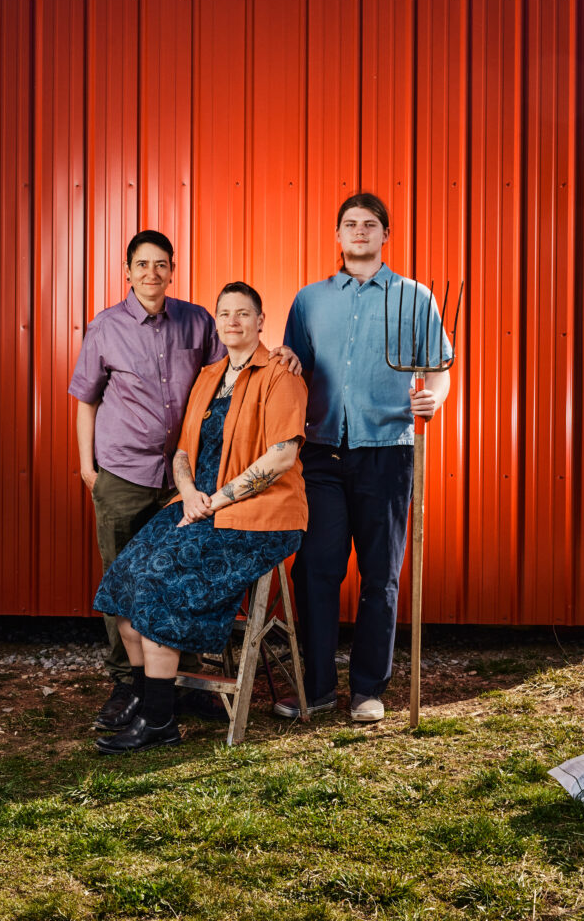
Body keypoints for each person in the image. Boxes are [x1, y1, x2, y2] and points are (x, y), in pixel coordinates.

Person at [93, 282, 307, 753]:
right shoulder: (209, 376)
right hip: (198, 505)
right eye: (225, 313)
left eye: (243, 313)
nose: (233, 321)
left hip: (256, 514)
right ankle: (157, 698)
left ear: (260, 321)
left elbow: (281, 457)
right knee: (124, 583)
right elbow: (184, 451)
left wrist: (218, 500)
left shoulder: (280, 374)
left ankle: (159, 721)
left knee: (159, 585)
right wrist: (189, 493)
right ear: (217, 322)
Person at [280, 192, 452, 723]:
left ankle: (367, 690)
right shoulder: (309, 301)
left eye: (370, 224)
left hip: (388, 451)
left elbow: (439, 368)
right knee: (316, 569)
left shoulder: (414, 297)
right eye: (350, 224)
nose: (360, 231)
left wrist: (435, 398)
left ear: (385, 235)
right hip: (324, 453)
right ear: (337, 236)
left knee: (380, 575)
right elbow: (294, 366)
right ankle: (318, 686)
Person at [67, 230, 222, 733]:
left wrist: (279, 356)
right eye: (142, 264)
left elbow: (233, 373)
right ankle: (126, 683)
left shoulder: (198, 321)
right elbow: (86, 399)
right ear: (127, 271)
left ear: (172, 270)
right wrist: (88, 466)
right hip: (123, 473)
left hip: (184, 478)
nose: (151, 273)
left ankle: (180, 679)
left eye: (161, 264)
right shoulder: (105, 328)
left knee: (182, 573)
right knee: (122, 580)